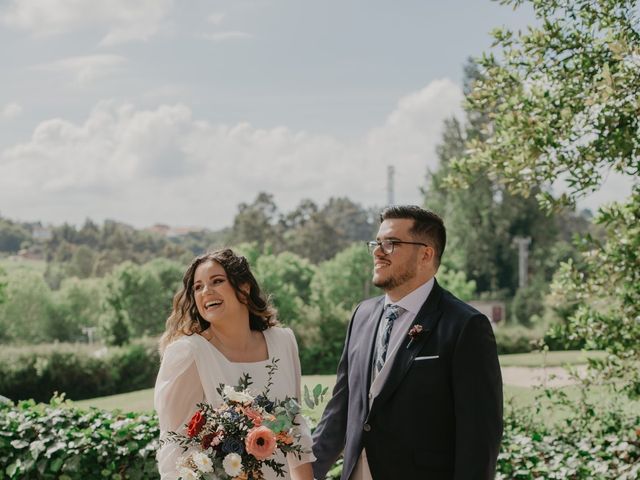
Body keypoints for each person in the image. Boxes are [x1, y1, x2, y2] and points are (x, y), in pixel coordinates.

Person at [312, 205, 503, 480]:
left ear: (426, 254)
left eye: (391, 244)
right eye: (377, 243)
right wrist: (307, 473)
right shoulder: (361, 315)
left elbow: (479, 437)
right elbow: (340, 410)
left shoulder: (465, 326)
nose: (378, 252)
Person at [154, 249, 315, 480]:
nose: (206, 291)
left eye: (217, 281)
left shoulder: (283, 342)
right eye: (197, 287)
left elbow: (296, 429)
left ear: (244, 287)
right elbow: (174, 447)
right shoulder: (187, 353)